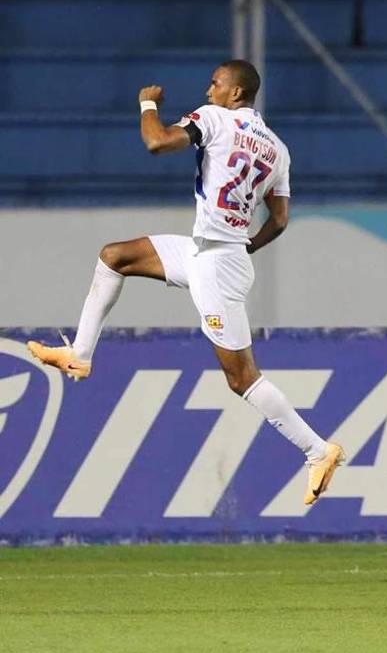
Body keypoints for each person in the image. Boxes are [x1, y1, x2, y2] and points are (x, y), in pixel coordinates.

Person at [27, 60, 345, 506]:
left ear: (236, 93)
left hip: (216, 266)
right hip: (207, 252)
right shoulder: (278, 149)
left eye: (216, 83)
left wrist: (147, 105)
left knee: (241, 379)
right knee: (115, 257)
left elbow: (157, 143)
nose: (209, 90)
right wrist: (246, 247)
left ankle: (317, 450)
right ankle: (79, 354)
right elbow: (279, 219)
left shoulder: (213, 118)